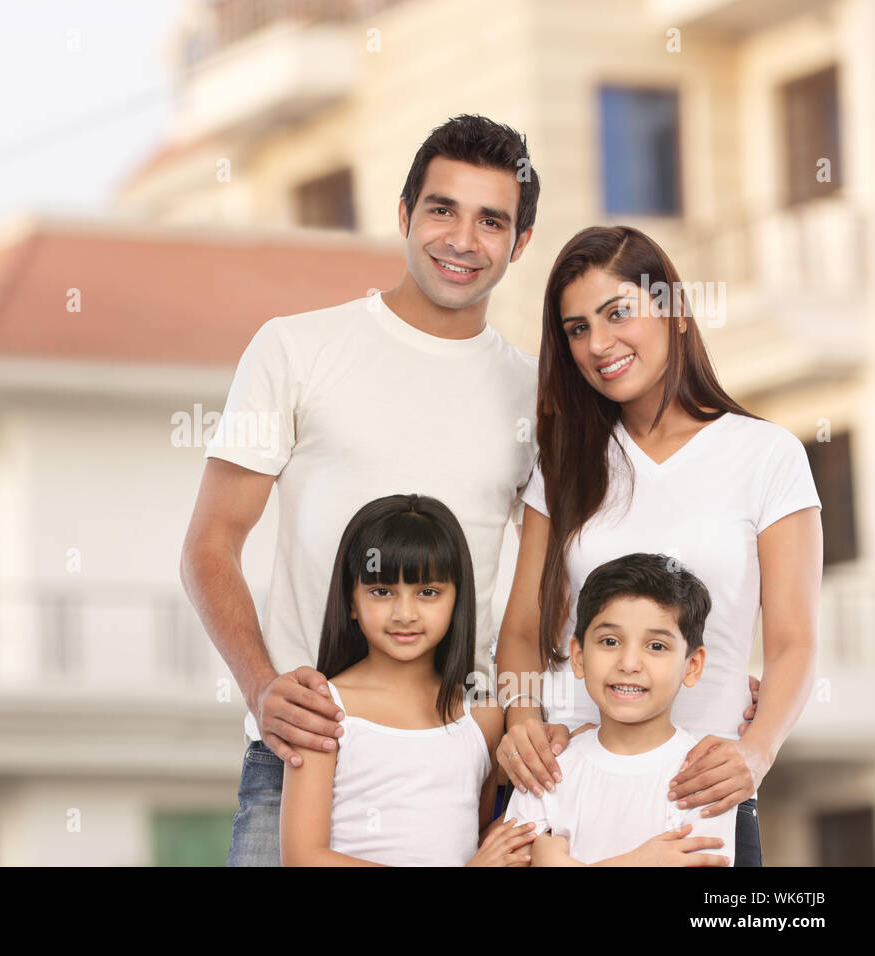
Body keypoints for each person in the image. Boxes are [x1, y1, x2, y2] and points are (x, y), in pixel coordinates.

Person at [180, 115, 542, 866]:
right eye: (442, 209)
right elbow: (210, 545)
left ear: (520, 242)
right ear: (405, 214)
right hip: (304, 754)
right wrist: (261, 687)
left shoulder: (537, 396)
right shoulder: (297, 348)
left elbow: (542, 599)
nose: (462, 239)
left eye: (491, 221)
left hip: (457, 772)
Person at [494, 225, 823, 867]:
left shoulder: (766, 456)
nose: (599, 344)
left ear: (671, 310)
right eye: (577, 328)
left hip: (702, 795)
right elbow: (524, 630)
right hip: (567, 791)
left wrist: (755, 754)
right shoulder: (564, 463)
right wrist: (521, 724)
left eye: (618, 314)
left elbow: (794, 642)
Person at [280, 494, 538, 866]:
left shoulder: (482, 717)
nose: (404, 613)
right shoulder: (323, 708)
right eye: (382, 592)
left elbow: (469, 841)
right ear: (351, 601)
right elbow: (303, 858)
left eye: (427, 592)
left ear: (457, 599)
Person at [503, 552, 735, 865]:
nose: (628, 664)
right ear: (579, 656)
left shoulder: (703, 780)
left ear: (691, 666)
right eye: (610, 641)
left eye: (656, 646)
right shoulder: (549, 769)